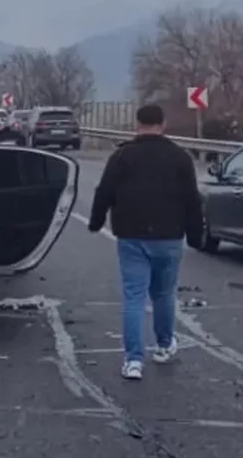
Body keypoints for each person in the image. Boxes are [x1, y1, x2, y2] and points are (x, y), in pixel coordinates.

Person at [88, 104, 204, 381]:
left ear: (137, 123)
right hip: (169, 236)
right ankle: (164, 346)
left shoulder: (122, 156)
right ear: (163, 124)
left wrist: (95, 222)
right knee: (164, 294)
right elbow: (192, 199)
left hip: (132, 236)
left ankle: (133, 361)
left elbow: (104, 191)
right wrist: (195, 234)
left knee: (134, 297)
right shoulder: (180, 158)